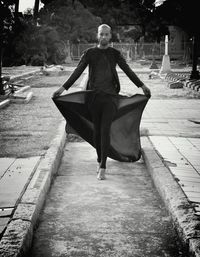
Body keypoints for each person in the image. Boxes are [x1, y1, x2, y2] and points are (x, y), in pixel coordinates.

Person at [52, 24, 151, 180]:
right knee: (97, 132)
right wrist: (62, 89)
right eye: (101, 34)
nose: (104, 37)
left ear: (110, 36)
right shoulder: (90, 53)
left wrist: (142, 85)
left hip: (110, 99)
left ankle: (102, 166)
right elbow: (77, 72)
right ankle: (100, 159)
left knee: (105, 130)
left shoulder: (114, 54)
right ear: (97, 35)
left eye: (106, 34)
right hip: (93, 99)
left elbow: (128, 70)